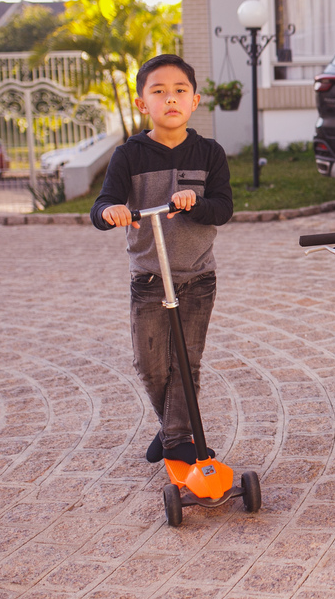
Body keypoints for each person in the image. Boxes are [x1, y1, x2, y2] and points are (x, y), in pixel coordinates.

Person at [91, 54, 234, 464]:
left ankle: (175, 439)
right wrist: (109, 212)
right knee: (151, 366)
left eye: (179, 91)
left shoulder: (209, 153)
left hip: (197, 276)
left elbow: (223, 208)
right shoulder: (129, 155)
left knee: (186, 364)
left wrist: (197, 203)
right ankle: (175, 434)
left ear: (195, 101)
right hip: (150, 278)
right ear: (142, 104)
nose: (170, 99)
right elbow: (102, 204)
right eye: (158, 92)